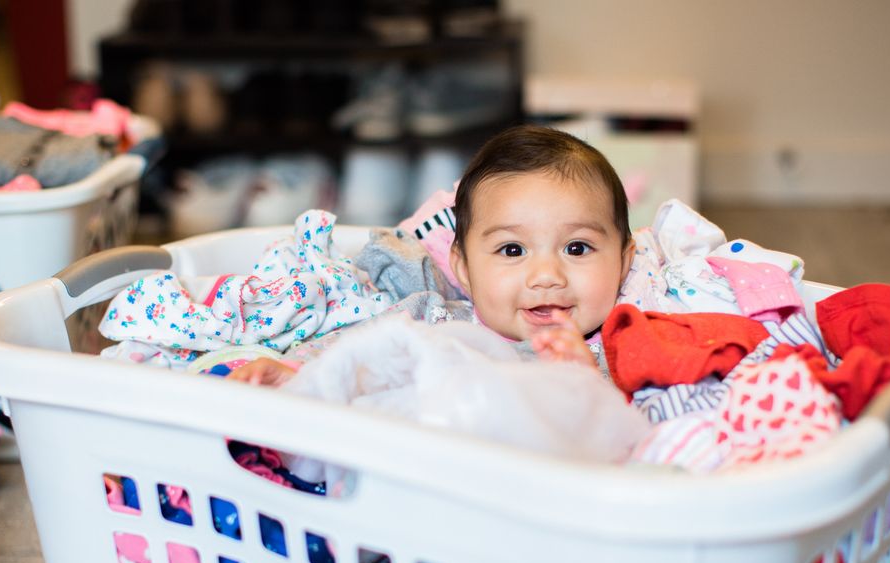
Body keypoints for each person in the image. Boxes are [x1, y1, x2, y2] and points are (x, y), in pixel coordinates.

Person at [228, 124, 635, 385]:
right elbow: (351, 350)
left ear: (624, 261)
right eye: (512, 249)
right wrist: (297, 377)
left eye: (577, 248)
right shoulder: (433, 319)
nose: (546, 275)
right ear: (463, 267)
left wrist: (589, 388)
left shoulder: (627, 349)